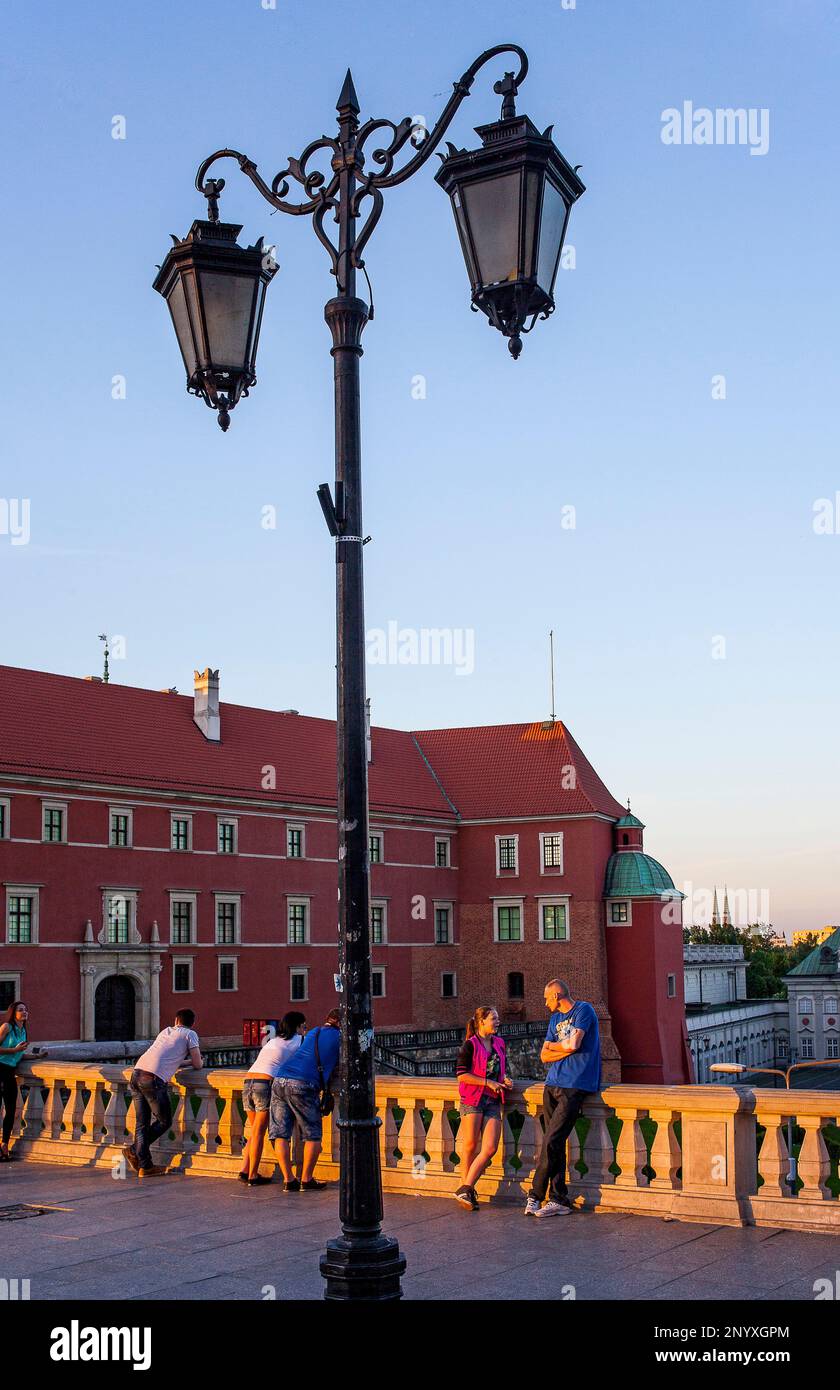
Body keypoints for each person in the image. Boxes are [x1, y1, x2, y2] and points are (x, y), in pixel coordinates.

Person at [525, 978, 602, 1218]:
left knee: (551, 1141)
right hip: (552, 1084)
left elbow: (575, 1044)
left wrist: (560, 1047)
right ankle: (559, 1199)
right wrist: (564, 1046)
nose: (545, 1002)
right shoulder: (555, 1018)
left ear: (557, 995)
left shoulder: (584, 1010)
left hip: (575, 1084)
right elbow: (544, 1056)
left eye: (547, 998)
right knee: (554, 1143)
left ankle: (535, 1194)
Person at [124, 1009, 202, 1178]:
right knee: (164, 1121)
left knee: (142, 1124)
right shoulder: (190, 1034)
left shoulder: (166, 1031)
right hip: (152, 1079)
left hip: (136, 1073)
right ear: (192, 1023)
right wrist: (193, 1060)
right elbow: (198, 1064)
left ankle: (145, 1165)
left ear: (176, 1020)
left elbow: (166, 1056)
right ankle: (133, 1151)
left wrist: (181, 1061)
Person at [269, 1008, 340, 1192]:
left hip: (280, 1079)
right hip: (303, 1084)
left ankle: (289, 1180)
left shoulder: (314, 1032)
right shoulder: (341, 1038)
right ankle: (306, 1179)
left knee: (280, 1134)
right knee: (312, 1134)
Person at [453, 1005, 512, 1211]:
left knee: (489, 1148)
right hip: (473, 1098)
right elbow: (461, 1074)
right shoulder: (470, 1045)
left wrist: (505, 1079)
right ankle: (467, 1193)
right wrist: (488, 1082)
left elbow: (500, 1069)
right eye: (493, 1019)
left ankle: (465, 1188)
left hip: (493, 1100)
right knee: (470, 1145)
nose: (497, 1022)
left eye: (497, 1018)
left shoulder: (500, 1043)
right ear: (481, 1022)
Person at [239, 1011, 306, 1186]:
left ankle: (245, 1170)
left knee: (254, 1130)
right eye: (303, 1026)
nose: (305, 1030)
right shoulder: (298, 1040)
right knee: (259, 1132)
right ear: (297, 1026)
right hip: (264, 1082)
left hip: (248, 1081)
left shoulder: (273, 1040)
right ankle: (253, 1175)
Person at [0, 1002, 47, 1161]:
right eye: (21, 1010)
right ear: (13, 1013)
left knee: (11, 1110)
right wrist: (14, 1050)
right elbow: (13, 1051)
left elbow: (20, 1055)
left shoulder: (23, 1031)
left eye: (26, 1009)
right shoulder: (7, 1027)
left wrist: (36, 1057)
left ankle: (4, 1144)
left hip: (10, 1072)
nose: (25, 1012)